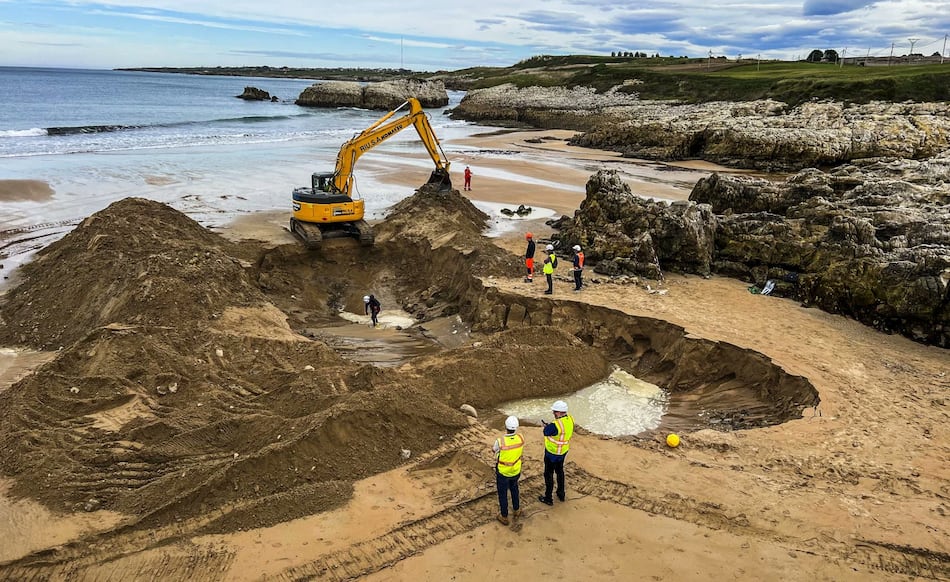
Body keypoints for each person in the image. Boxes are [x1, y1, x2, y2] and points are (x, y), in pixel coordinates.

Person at [538, 400, 574, 506]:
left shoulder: (556, 425)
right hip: (563, 451)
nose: (553, 413)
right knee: (560, 471)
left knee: (548, 474)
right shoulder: (570, 419)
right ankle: (561, 493)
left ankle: (548, 498)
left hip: (552, 453)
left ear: (559, 412)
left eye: (554, 412)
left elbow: (546, 432)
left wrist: (547, 427)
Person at [493, 415, 524, 525]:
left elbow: (494, 450)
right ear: (516, 427)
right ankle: (516, 510)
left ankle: (504, 516)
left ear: (506, 426)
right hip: (515, 470)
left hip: (503, 472)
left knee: (503, 494)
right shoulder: (521, 438)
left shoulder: (500, 441)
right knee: (514, 489)